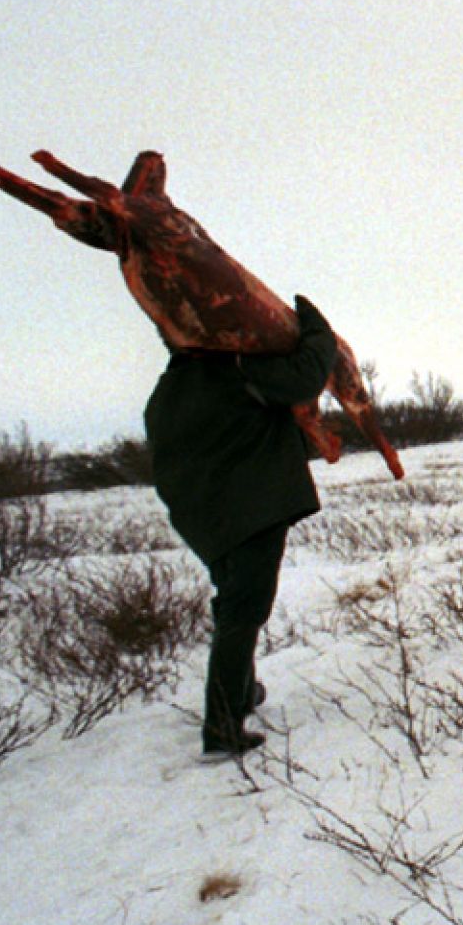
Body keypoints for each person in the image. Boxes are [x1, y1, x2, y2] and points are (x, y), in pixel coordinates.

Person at [145, 294, 338, 760]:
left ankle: (242, 691)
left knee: (234, 601)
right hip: (251, 509)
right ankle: (224, 727)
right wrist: (318, 330)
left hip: (204, 520)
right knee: (243, 609)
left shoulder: (167, 392)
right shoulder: (233, 372)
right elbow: (305, 376)